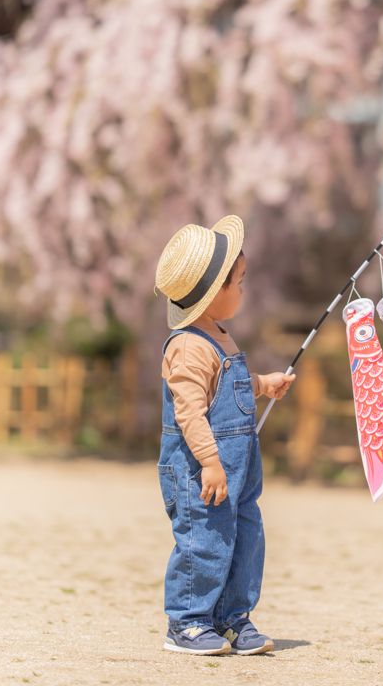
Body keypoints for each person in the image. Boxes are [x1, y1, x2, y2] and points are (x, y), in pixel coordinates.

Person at [155, 215, 295, 656]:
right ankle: (188, 621)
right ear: (214, 292)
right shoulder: (187, 347)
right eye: (239, 281)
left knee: (245, 539)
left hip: (238, 469)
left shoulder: (217, 336)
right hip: (202, 470)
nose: (243, 289)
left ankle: (233, 617)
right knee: (205, 541)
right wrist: (211, 463)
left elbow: (226, 388)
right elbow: (191, 412)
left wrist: (262, 383)